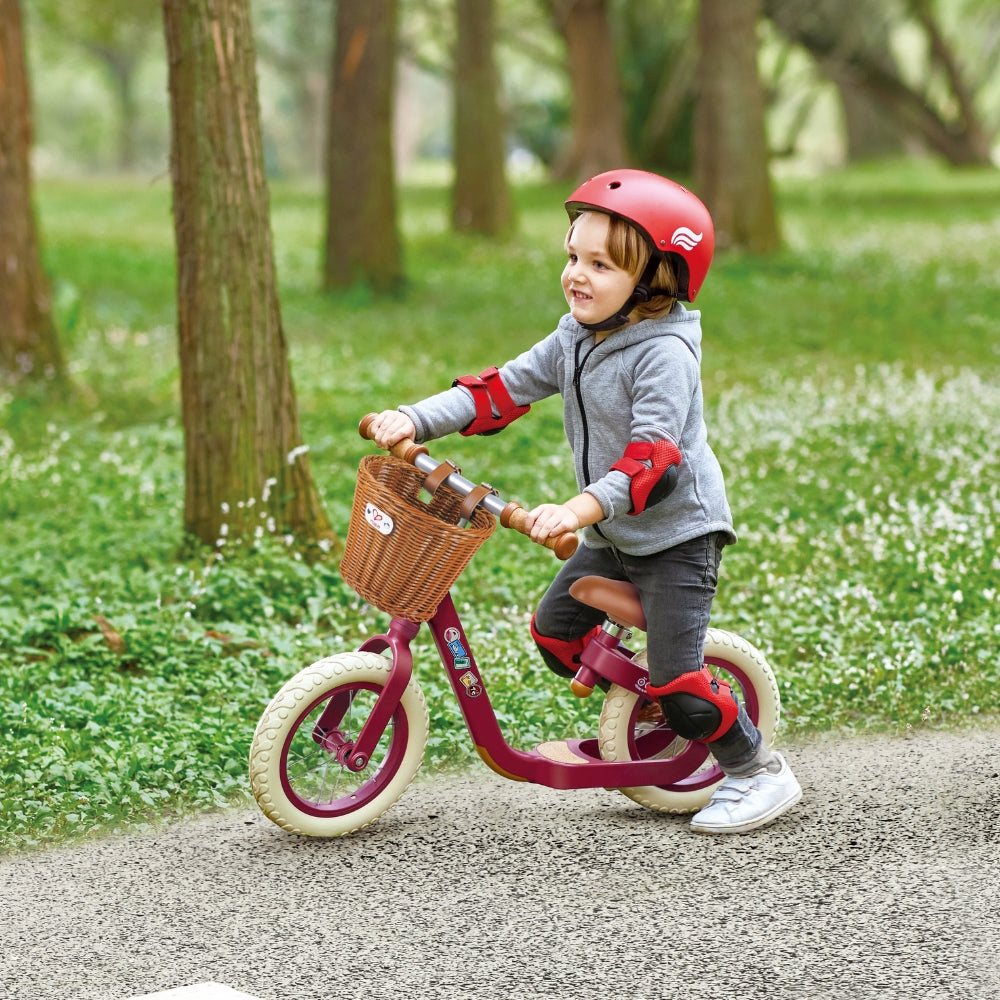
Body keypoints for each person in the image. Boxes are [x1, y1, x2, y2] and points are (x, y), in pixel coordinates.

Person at [370, 168, 801, 834]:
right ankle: (651, 706)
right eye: (574, 256)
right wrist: (413, 418)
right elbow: (499, 390)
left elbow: (651, 464)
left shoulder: (663, 355)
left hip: (675, 538)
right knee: (554, 633)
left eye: (600, 264)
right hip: (615, 536)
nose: (577, 274)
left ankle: (754, 769)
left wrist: (576, 511)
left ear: (656, 279)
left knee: (683, 688)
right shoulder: (577, 335)